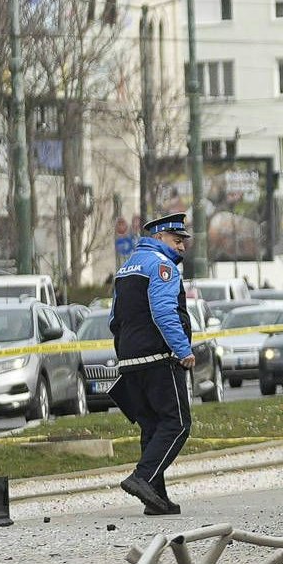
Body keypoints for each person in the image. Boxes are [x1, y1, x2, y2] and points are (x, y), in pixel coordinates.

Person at [110, 212, 197, 515]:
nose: (183, 246)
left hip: (130, 361)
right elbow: (163, 313)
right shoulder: (162, 267)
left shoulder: (125, 268)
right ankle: (142, 478)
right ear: (159, 238)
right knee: (177, 423)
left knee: (152, 425)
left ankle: (156, 499)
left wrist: (123, 354)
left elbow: (114, 319)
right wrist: (183, 350)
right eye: (177, 240)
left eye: (184, 241)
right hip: (158, 359)